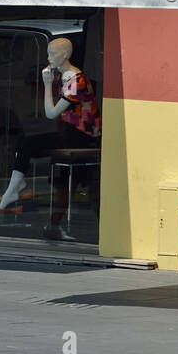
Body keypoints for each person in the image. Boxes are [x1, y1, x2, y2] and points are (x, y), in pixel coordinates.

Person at [36, 37, 102, 242]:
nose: (48, 58)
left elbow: (51, 112)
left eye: (52, 54)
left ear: (65, 55)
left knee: (86, 186)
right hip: (71, 135)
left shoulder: (77, 81)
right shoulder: (65, 77)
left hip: (83, 138)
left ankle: (103, 230)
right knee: (70, 185)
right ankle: (53, 225)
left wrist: (47, 85)